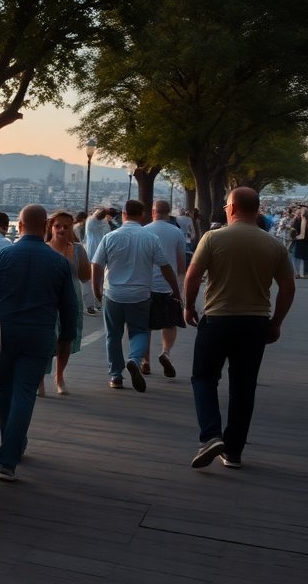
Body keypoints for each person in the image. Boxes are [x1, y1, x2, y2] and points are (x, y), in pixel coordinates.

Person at [186, 187, 296, 470]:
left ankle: (211, 434)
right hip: (255, 323)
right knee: (243, 387)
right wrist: (276, 322)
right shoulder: (274, 245)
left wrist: (188, 306)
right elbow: (287, 288)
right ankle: (233, 452)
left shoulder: (212, 238)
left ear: (232, 208)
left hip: (217, 319)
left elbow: (193, 276)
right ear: (257, 208)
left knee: (203, 378)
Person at [0, 204, 77, 482]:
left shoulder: (0, 256)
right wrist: (66, 338)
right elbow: (70, 307)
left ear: (18, 227)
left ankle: (12, 444)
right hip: (39, 335)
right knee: (24, 393)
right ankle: (9, 455)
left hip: (3, 334)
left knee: (2, 392)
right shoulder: (59, 262)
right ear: (45, 225)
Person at [91, 200, 180, 392]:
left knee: (113, 335)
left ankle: (115, 376)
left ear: (123, 214)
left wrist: (96, 289)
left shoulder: (110, 237)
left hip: (113, 293)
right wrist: (176, 290)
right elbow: (166, 267)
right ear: (142, 215)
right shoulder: (150, 238)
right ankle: (134, 358)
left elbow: (97, 265)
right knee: (140, 331)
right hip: (140, 294)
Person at [40, 210, 90, 396]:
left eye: (66, 226)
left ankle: (59, 376)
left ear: (72, 228)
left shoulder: (77, 249)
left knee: (66, 338)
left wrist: (75, 260)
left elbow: (85, 277)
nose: (61, 229)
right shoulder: (44, 248)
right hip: (49, 298)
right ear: (50, 228)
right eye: (57, 226)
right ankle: (40, 380)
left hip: (71, 298)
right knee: (47, 338)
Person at [142, 200, 189, 378]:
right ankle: (166, 352)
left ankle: (145, 361)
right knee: (169, 323)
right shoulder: (176, 232)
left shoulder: (144, 231)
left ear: (152, 211)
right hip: (169, 286)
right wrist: (180, 287)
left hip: (147, 286)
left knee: (145, 325)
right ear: (168, 213)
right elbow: (181, 263)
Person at [82, 207, 113, 315]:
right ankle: (98, 304)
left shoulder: (90, 222)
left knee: (90, 281)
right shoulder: (103, 223)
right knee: (100, 280)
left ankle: (91, 305)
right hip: (101, 253)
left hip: (91, 253)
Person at [291, 206, 308, 279]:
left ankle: (299, 273)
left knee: (297, 258)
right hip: (304, 242)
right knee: (302, 258)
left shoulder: (302, 220)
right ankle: (301, 273)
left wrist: (295, 237)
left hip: (301, 241)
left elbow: (301, 235)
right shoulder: (302, 220)